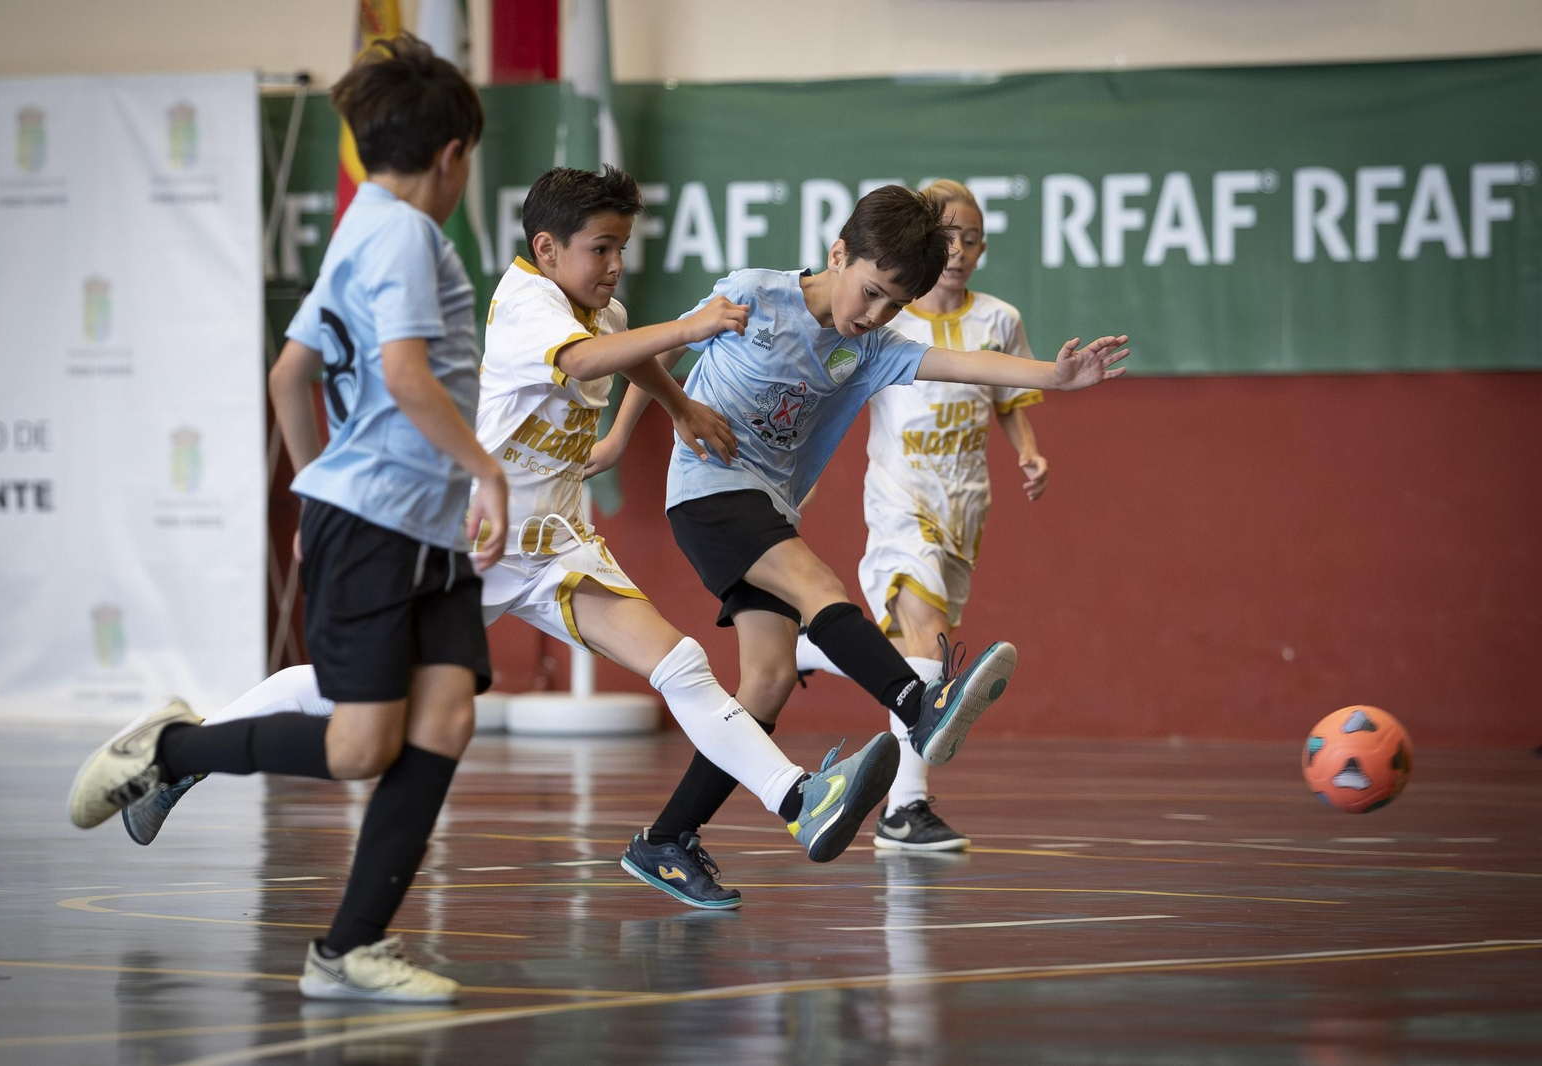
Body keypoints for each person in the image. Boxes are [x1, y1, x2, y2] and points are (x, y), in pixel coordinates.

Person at [120, 165, 902, 912]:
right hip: (470, 540)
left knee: (682, 663)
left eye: (624, 247)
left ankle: (798, 800)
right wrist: (694, 326)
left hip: (554, 543)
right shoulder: (529, 304)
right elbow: (591, 359)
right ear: (546, 250)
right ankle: (180, 750)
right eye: (601, 248)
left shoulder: (610, 312)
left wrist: (680, 406)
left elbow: (626, 358)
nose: (616, 265)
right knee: (342, 693)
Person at [67, 35, 503, 1002]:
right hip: (387, 525)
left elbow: (289, 374)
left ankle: (347, 952)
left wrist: (310, 492)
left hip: (411, 530)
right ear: (452, 156)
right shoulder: (402, 236)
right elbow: (401, 374)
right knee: (359, 750)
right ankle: (169, 751)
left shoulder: (363, 224)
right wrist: (489, 476)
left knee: (445, 718)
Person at [591, 183, 1127, 904]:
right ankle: (916, 703)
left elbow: (964, 365)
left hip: (768, 507)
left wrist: (1056, 378)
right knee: (819, 587)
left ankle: (665, 839)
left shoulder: (872, 348)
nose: (872, 315)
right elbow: (658, 350)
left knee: (769, 681)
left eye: (894, 306)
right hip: (709, 493)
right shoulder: (753, 296)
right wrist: (636, 430)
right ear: (838, 252)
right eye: (870, 292)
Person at [793, 179, 1050, 852]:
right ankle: (905, 808)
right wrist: (799, 475)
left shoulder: (1000, 320)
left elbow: (1007, 396)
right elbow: (833, 396)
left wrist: (1028, 451)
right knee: (929, 642)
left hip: (964, 505)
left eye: (970, 239)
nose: (958, 250)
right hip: (901, 501)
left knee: (921, 656)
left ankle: (815, 648)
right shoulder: (887, 321)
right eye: (946, 238)